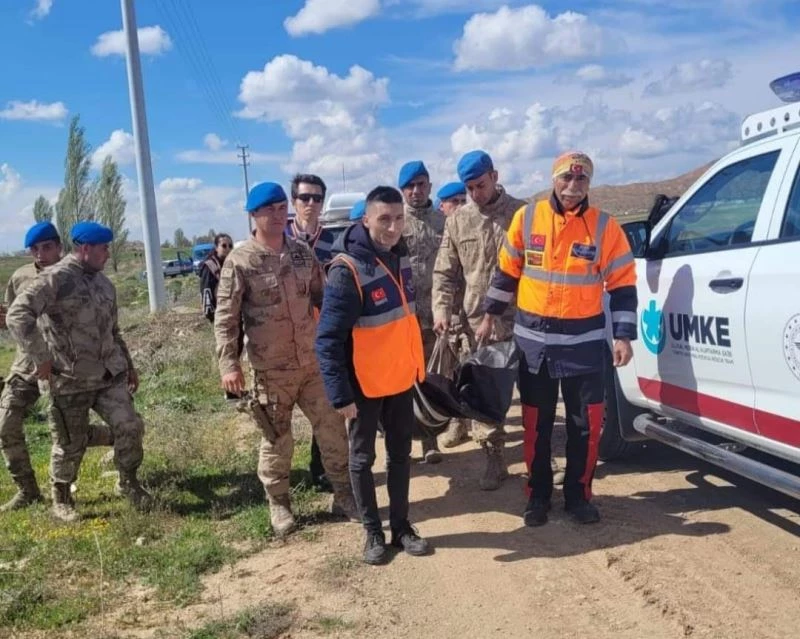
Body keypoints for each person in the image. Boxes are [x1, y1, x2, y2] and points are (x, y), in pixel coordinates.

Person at [482, 151, 638, 525]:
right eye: (566, 179)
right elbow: (507, 272)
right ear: (554, 179)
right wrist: (489, 314)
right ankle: (537, 496)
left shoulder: (605, 227)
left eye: (581, 181)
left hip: (583, 349)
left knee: (585, 426)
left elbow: (623, 286)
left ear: (589, 185)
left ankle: (578, 495)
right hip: (535, 346)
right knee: (536, 426)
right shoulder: (528, 217)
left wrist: (623, 336)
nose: (573, 187)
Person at [214, 181, 357, 537]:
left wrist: (340, 338)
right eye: (269, 211)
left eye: (281, 209)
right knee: (277, 440)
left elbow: (325, 298)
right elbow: (226, 317)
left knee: (333, 431)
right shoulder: (240, 260)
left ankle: (343, 496)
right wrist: (228, 364)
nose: (278, 216)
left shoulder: (301, 253)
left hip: (312, 365)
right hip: (270, 370)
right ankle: (279, 504)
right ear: (254, 215)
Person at [315, 185, 431, 565]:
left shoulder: (402, 258)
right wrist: (340, 395)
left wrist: (416, 368)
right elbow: (328, 340)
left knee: (401, 454)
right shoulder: (347, 271)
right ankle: (372, 533)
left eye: (398, 219)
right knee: (362, 459)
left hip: (399, 379)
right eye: (384, 219)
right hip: (363, 386)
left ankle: (401, 527)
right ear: (365, 220)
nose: (393, 227)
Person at [6, 221, 149, 522]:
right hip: (69, 379)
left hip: (108, 376)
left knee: (130, 425)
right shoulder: (55, 279)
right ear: (85, 249)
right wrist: (40, 356)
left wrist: (130, 365)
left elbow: (114, 331)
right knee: (69, 443)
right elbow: (18, 314)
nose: (108, 254)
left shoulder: (104, 284)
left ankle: (129, 482)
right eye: (103, 248)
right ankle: (61, 498)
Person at [0, 222, 114, 511]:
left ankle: (108, 436)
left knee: (64, 433)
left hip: (63, 367)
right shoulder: (20, 277)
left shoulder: (75, 277)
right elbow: (12, 316)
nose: (40, 254)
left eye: (47, 247)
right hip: (29, 363)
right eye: (34, 249)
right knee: (6, 423)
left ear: (60, 247)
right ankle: (27, 490)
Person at [432, 150, 527, 490]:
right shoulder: (458, 221)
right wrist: (441, 309)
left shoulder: (523, 214)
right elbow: (445, 272)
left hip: (523, 321)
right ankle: (495, 459)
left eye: (481, 185)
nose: (476, 193)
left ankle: (540, 455)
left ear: (496, 176)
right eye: (469, 188)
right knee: (486, 395)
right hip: (478, 326)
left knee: (533, 393)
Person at [285, 174, 336, 494]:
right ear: (294, 202)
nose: (311, 204)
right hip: (286, 340)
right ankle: (280, 481)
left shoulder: (335, 241)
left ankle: (323, 469)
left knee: (326, 406)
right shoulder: (280, 240)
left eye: (317, 198)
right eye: (305, 198)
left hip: (324, 335)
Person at [397, 161, 447, 464]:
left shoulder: (444, 222)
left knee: (434, 381)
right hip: (406, 320)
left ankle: (431, 441)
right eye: (410, 186)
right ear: (402, 190)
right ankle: (403, 441)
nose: (416, 190)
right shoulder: (396, 223)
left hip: (439, 318)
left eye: (421, 184)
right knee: (403, 382)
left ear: (429, 185)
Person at [199, 233, 234, 323]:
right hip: (219, 315)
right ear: (216, 248)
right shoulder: (210, 266)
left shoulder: (233, 264)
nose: (228, 249)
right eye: (224, 246)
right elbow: (206, 292)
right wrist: (212, 316)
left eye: (230, 246)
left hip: (234, 314)